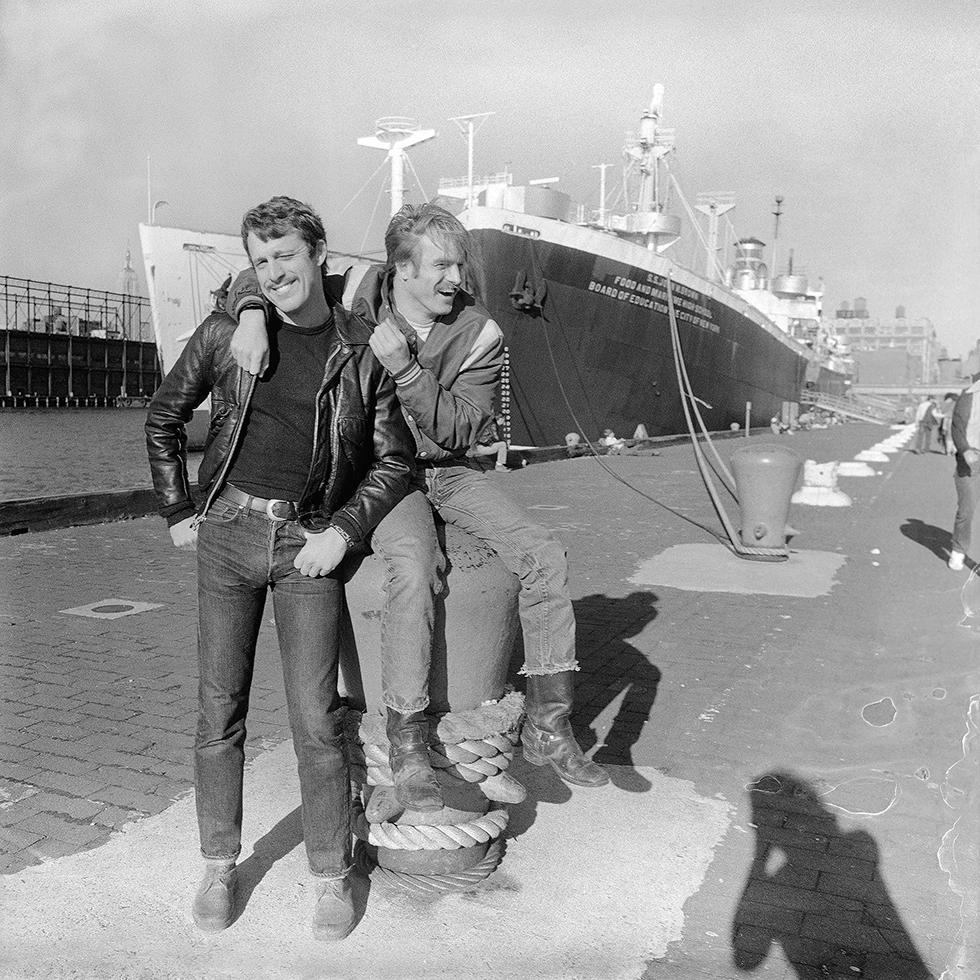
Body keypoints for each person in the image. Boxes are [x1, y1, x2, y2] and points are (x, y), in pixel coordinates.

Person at [227, 203, 609, 789]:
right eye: (441, 266)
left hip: (444, 472)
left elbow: (462, 430)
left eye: (459, 265)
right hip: (375, 471)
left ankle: (548, 724)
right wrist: (251, 312)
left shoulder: (480, 332)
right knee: (417, 564)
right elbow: (273, 272)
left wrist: (406, 370)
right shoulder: (354, 289)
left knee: (545, 554)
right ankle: (406, 742)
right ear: (400, 269)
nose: (455, 280)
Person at [145, 196, 415, 939]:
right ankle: (219, 865)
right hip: (228, 533)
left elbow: (394, 462)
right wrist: (177, 510)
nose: (275, 271)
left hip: (309, 544)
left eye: (287, 256)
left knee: (316, 720)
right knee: (218, 710)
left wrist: (346, 531)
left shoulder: (361, 350)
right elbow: (163, 418)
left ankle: (330, 875)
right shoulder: (230, 332)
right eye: (261, 262)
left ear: (318, 255)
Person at [947, 375, 980, 570]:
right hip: (971, 460)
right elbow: (957, 427)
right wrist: (965, 449)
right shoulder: (969, 396)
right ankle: (958, 550)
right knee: (967, 507)